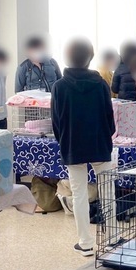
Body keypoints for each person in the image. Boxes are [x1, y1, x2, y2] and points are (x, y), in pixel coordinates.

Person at [51, 37, 115, 256]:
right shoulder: (101, 84)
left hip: (73, 144)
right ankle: (112, 238)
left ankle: (85, 243)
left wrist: (63, 140)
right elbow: (109, 117)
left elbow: (56, 122)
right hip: (99, 142)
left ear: (66, 58)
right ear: (90, 58)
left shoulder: (59, 87)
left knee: (78, 193)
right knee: (107, 190)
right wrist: (107, 136)